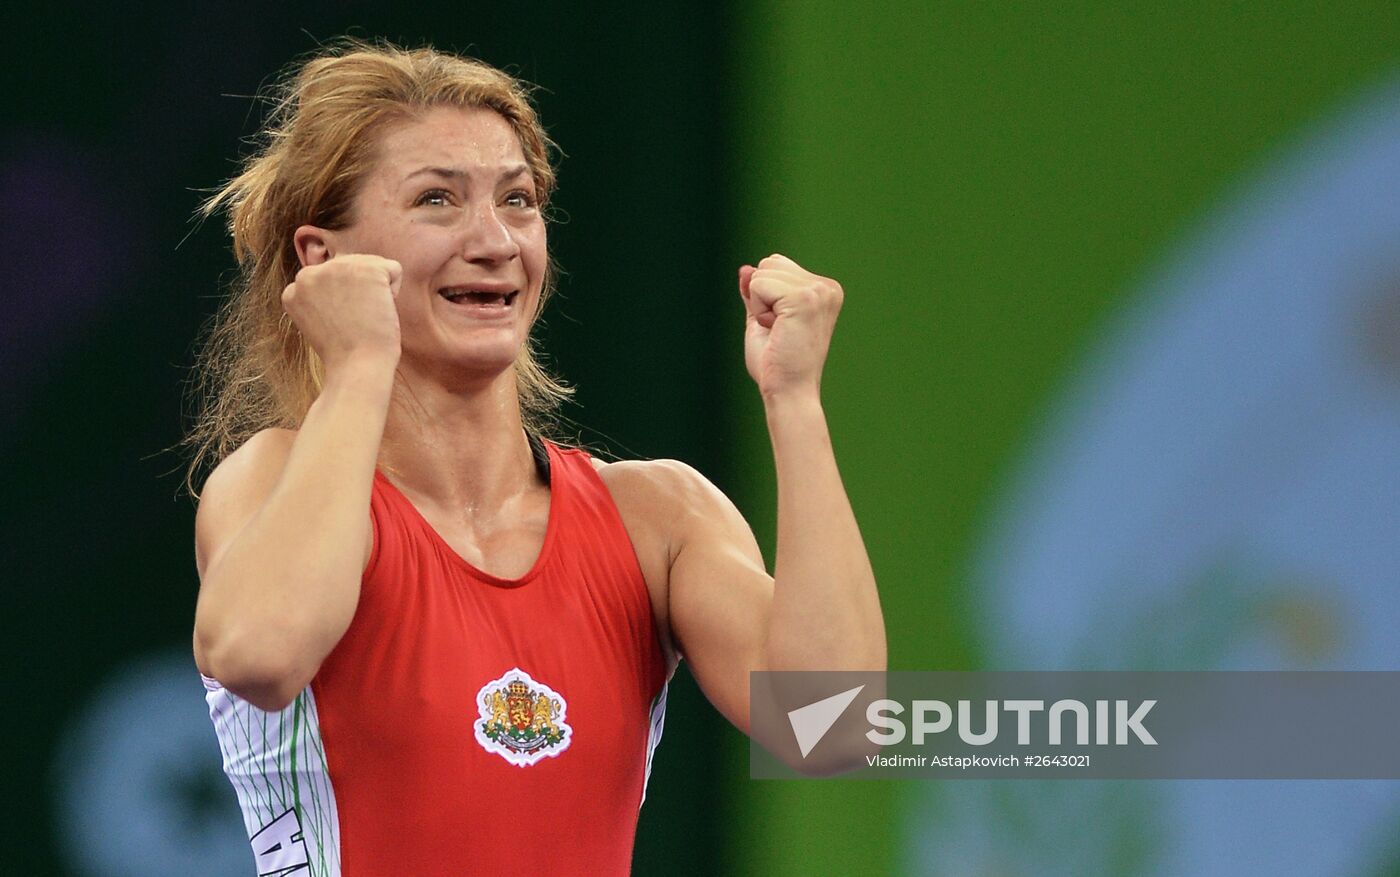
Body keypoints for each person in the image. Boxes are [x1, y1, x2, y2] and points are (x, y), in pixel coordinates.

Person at [188, 40, 885, 876]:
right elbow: (259, 654)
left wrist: (795, 401)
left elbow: (832, 726)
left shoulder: (656, 518)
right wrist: (358, 362)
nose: (495, 240)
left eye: (518, 200)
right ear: (323, 257)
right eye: (437, 200)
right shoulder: (268, 481)